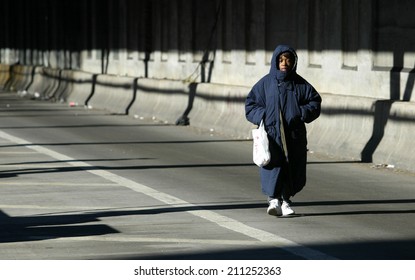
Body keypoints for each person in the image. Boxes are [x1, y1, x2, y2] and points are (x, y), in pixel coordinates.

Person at [245, 44, 322, 217]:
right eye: (281, 59)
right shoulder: (265, 83)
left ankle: (286, 201)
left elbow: (315, 102)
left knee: (291, 166)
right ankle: (273, 200)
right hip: (272, 134)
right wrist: (263, 115)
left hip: (293, 136)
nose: (284, 63)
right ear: (275, 61)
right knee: (272, 165)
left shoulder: (300, 84)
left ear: (293, 62)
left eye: (288, 59)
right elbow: (250, 105)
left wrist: (300, 113)